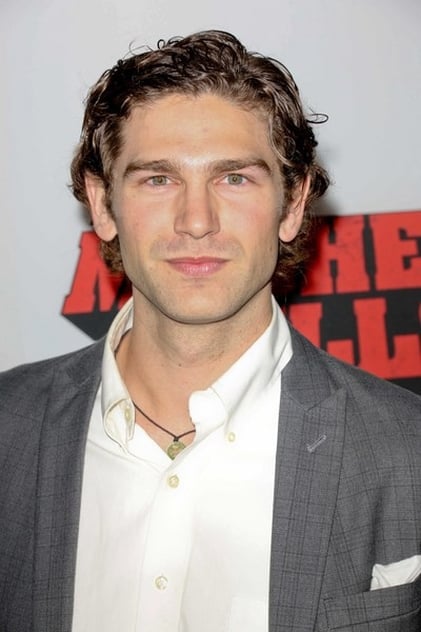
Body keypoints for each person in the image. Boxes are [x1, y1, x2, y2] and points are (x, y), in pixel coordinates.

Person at [0, 30, 420, 632]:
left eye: (234, 178)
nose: (196, 221)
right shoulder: (8, 429)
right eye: (158, 179)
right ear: (102, 206)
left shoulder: (407, 451)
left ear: (293, 204)